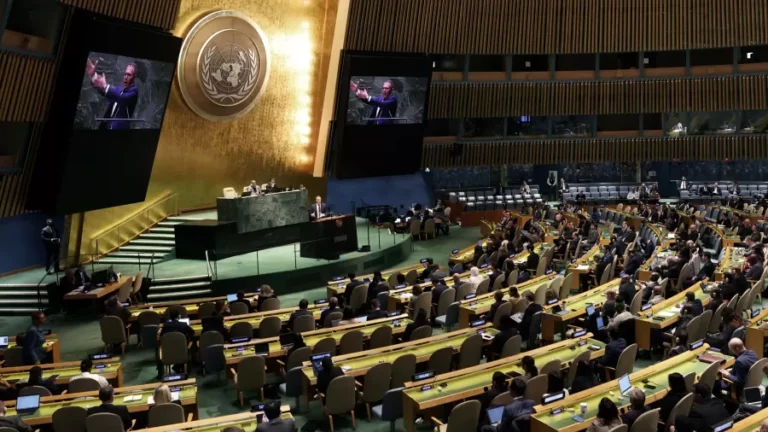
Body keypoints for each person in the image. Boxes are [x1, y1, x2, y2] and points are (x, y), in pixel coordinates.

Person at [85, 59, 139, 130]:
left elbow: (121, 98)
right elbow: (108, 93)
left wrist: (105, 86)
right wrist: (93, 75)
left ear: (134, 77)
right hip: (107, 125)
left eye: (129, 75)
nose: (126, 77)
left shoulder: (134, 91)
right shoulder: (120, 87)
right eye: (125, 74)